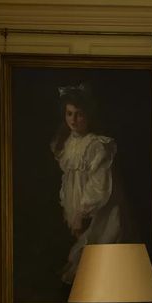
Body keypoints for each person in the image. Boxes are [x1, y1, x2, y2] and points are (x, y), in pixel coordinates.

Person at [51, 83, 125, 284]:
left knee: (94, 250)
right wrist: (71, 210)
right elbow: (69, 181)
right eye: (69, 114)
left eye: (79, 114)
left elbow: (98, 183)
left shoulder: (97, 145)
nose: (73, 120)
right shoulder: (67, 144)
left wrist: (82, 212)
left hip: (99, 208)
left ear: (89, 116)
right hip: (76, 206)